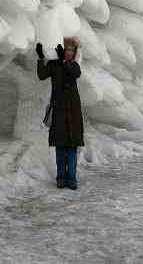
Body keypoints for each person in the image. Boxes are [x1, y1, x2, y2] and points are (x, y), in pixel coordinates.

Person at [35, 38, 84, 190]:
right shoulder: (54, 65)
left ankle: (72, 179)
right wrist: (41, 57)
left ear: (74, 53)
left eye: (71, 50)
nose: (68, 52)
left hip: (73, 112)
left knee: (71, 148)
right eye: (67, 49)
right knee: (60, 148)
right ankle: (60, 178)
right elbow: (42, 75)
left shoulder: (73, 65)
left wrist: (65, 61)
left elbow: (75, 73)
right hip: (59, 111)